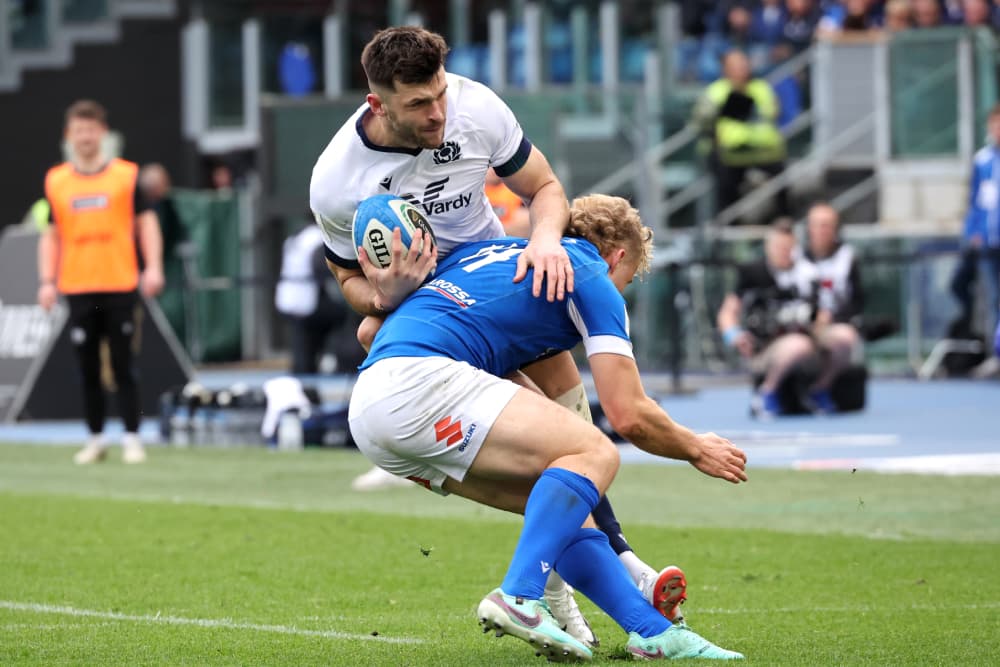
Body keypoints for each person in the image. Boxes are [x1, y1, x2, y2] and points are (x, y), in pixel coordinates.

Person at [310, 26, 686, 647]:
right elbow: (348, 279)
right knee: (373, 327)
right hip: (431, 307)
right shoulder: (337, 182)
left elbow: (544, 188)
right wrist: (383, 293)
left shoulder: (475, 106)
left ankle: (599, 583)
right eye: (418, 105)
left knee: (572, 438)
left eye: (439, 95)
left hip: (503, 278)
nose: (437, 113)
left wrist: (544, 241)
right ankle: (598, 584)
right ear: (378, 105)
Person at [349, 194, 747, 661]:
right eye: (627, 279)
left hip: (371, 410)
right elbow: (628, 415)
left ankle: (653, 632)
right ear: (617, 257)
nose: (620, 291)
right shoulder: (590, 273)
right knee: (597, 453)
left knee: (562, 508)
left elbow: (368, 332)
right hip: (420, 385)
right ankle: (519, 595)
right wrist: (695, 447)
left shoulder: (485, 253)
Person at [37, 99, 165, 464]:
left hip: (119, 282)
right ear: (68, 136)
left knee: (124, 365)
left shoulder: (125, 176)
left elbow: (147, 224)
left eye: (91, 130)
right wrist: (47, 280)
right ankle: (95, 438)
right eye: (79, 130)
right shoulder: (57, 181)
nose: (86, 137)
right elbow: (51, 234)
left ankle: (131, 437)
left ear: (103, 133)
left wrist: (153, 267)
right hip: (77, 285)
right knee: (87, 367)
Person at [717, 219, 820, 418]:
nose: (784, 252)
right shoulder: (752, 273)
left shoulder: (808, 273)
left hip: (808, 344)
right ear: (768, 247)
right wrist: (735, 336)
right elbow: (727, 313)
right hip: (764, 347)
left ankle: (819, 391)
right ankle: (766, 393)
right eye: (779, 247)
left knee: (841, 338)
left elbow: (820, 314)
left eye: (788, 248)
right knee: (798, 345)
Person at [692, 49, 788, 222]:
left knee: (782, 181)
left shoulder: (762, 88)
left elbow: (774, 113)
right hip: (729, 155)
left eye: (744, 64)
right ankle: (729, 229)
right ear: (725, 69)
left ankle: (782, 221)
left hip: (763, 152)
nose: (742, 69)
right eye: (736, 65)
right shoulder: (715, 92)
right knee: (725, 187)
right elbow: (701, 122)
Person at [798, 202, 864, 411]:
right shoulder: (795, 258)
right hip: (800, 325)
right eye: (817, 225)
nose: (822, 230)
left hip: (833, 325)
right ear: (809, 228)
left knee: (846, 338)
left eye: (827, 225)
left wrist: (830, 318)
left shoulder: (847, 258)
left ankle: (821, 388)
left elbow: (857, 300)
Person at [950, 104, 1000, 354]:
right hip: (988, 246)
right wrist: (974, 234)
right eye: (995, 124)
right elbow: (975, 202)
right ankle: (995, 356)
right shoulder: (982, 160)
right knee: (991, 300)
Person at [274, 223, 350, 375]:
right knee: (346, 315)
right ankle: (335, 359)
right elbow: (322, 267)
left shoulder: (295, 236)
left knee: (304, 341)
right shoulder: (317, 237)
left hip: (287, 299)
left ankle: (308, 366)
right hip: (305, 300)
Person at [485, 166, 531, 237]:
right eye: (489, 166)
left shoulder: (515, 190)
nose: (492, 170)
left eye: (495, 166)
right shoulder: (473, 192)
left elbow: (525, 221)